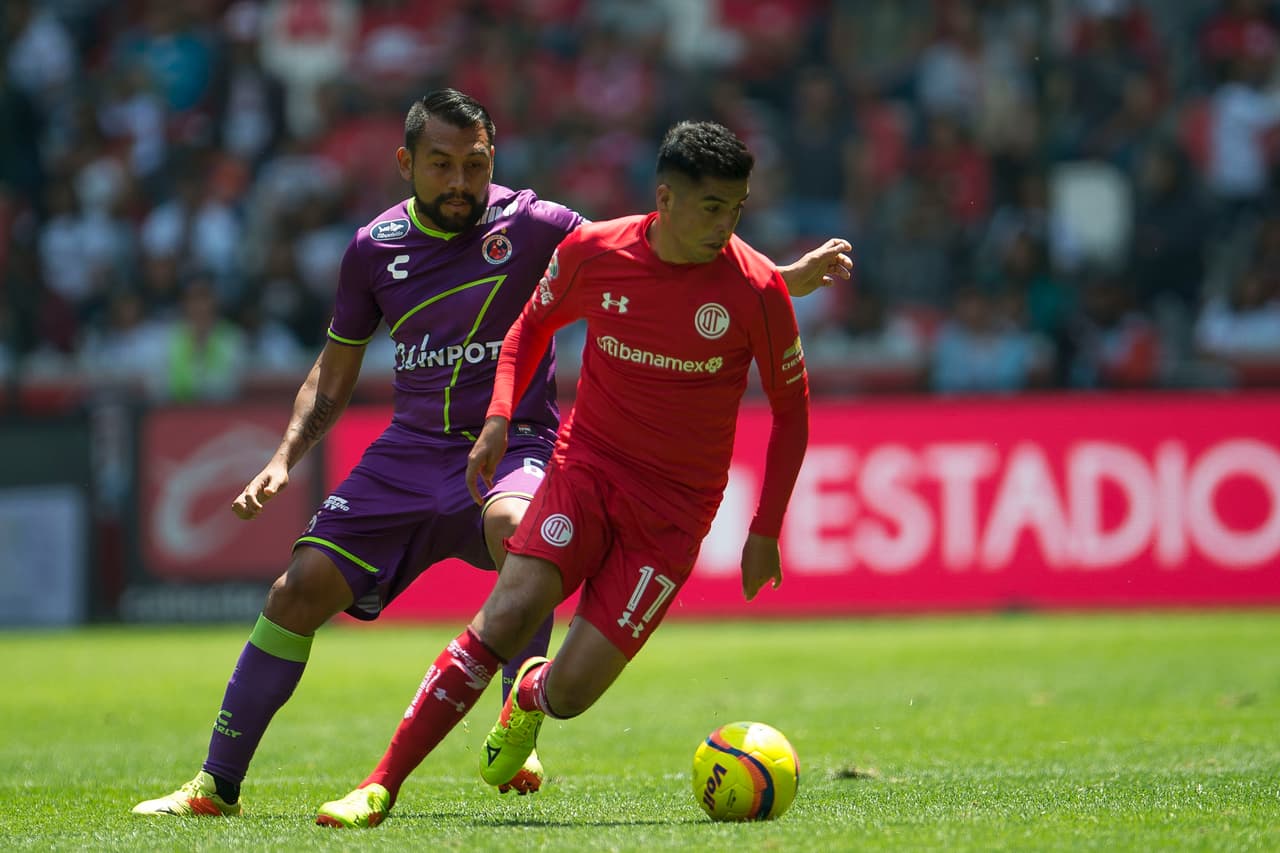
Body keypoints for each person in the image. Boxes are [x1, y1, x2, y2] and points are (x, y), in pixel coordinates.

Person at [131, 92, 852, 820]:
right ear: (407, 163)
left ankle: (522, 710)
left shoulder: (538, 224)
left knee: (516, 529)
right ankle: (216, 783)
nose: (460, 183)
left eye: (475, 166)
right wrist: (286, 454)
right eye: (442, 166)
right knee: (295, 589)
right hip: (408, 451)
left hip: (519, 448)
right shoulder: (372, 248)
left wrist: (779, 280)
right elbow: (332, 369)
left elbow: (668, 246)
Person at [315, 120, 818, 829]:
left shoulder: (758, 291)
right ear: (665, 198)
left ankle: (528, 699)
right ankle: (379, 785)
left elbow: (794, 415)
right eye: (712, 208)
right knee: (510, 608)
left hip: (673, 514)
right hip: (586, 468)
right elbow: (529, 328)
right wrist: (497, 417)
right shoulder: (594, 251)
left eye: (737, 208)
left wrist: (766, 530)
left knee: (574, 692)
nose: (726, 225)